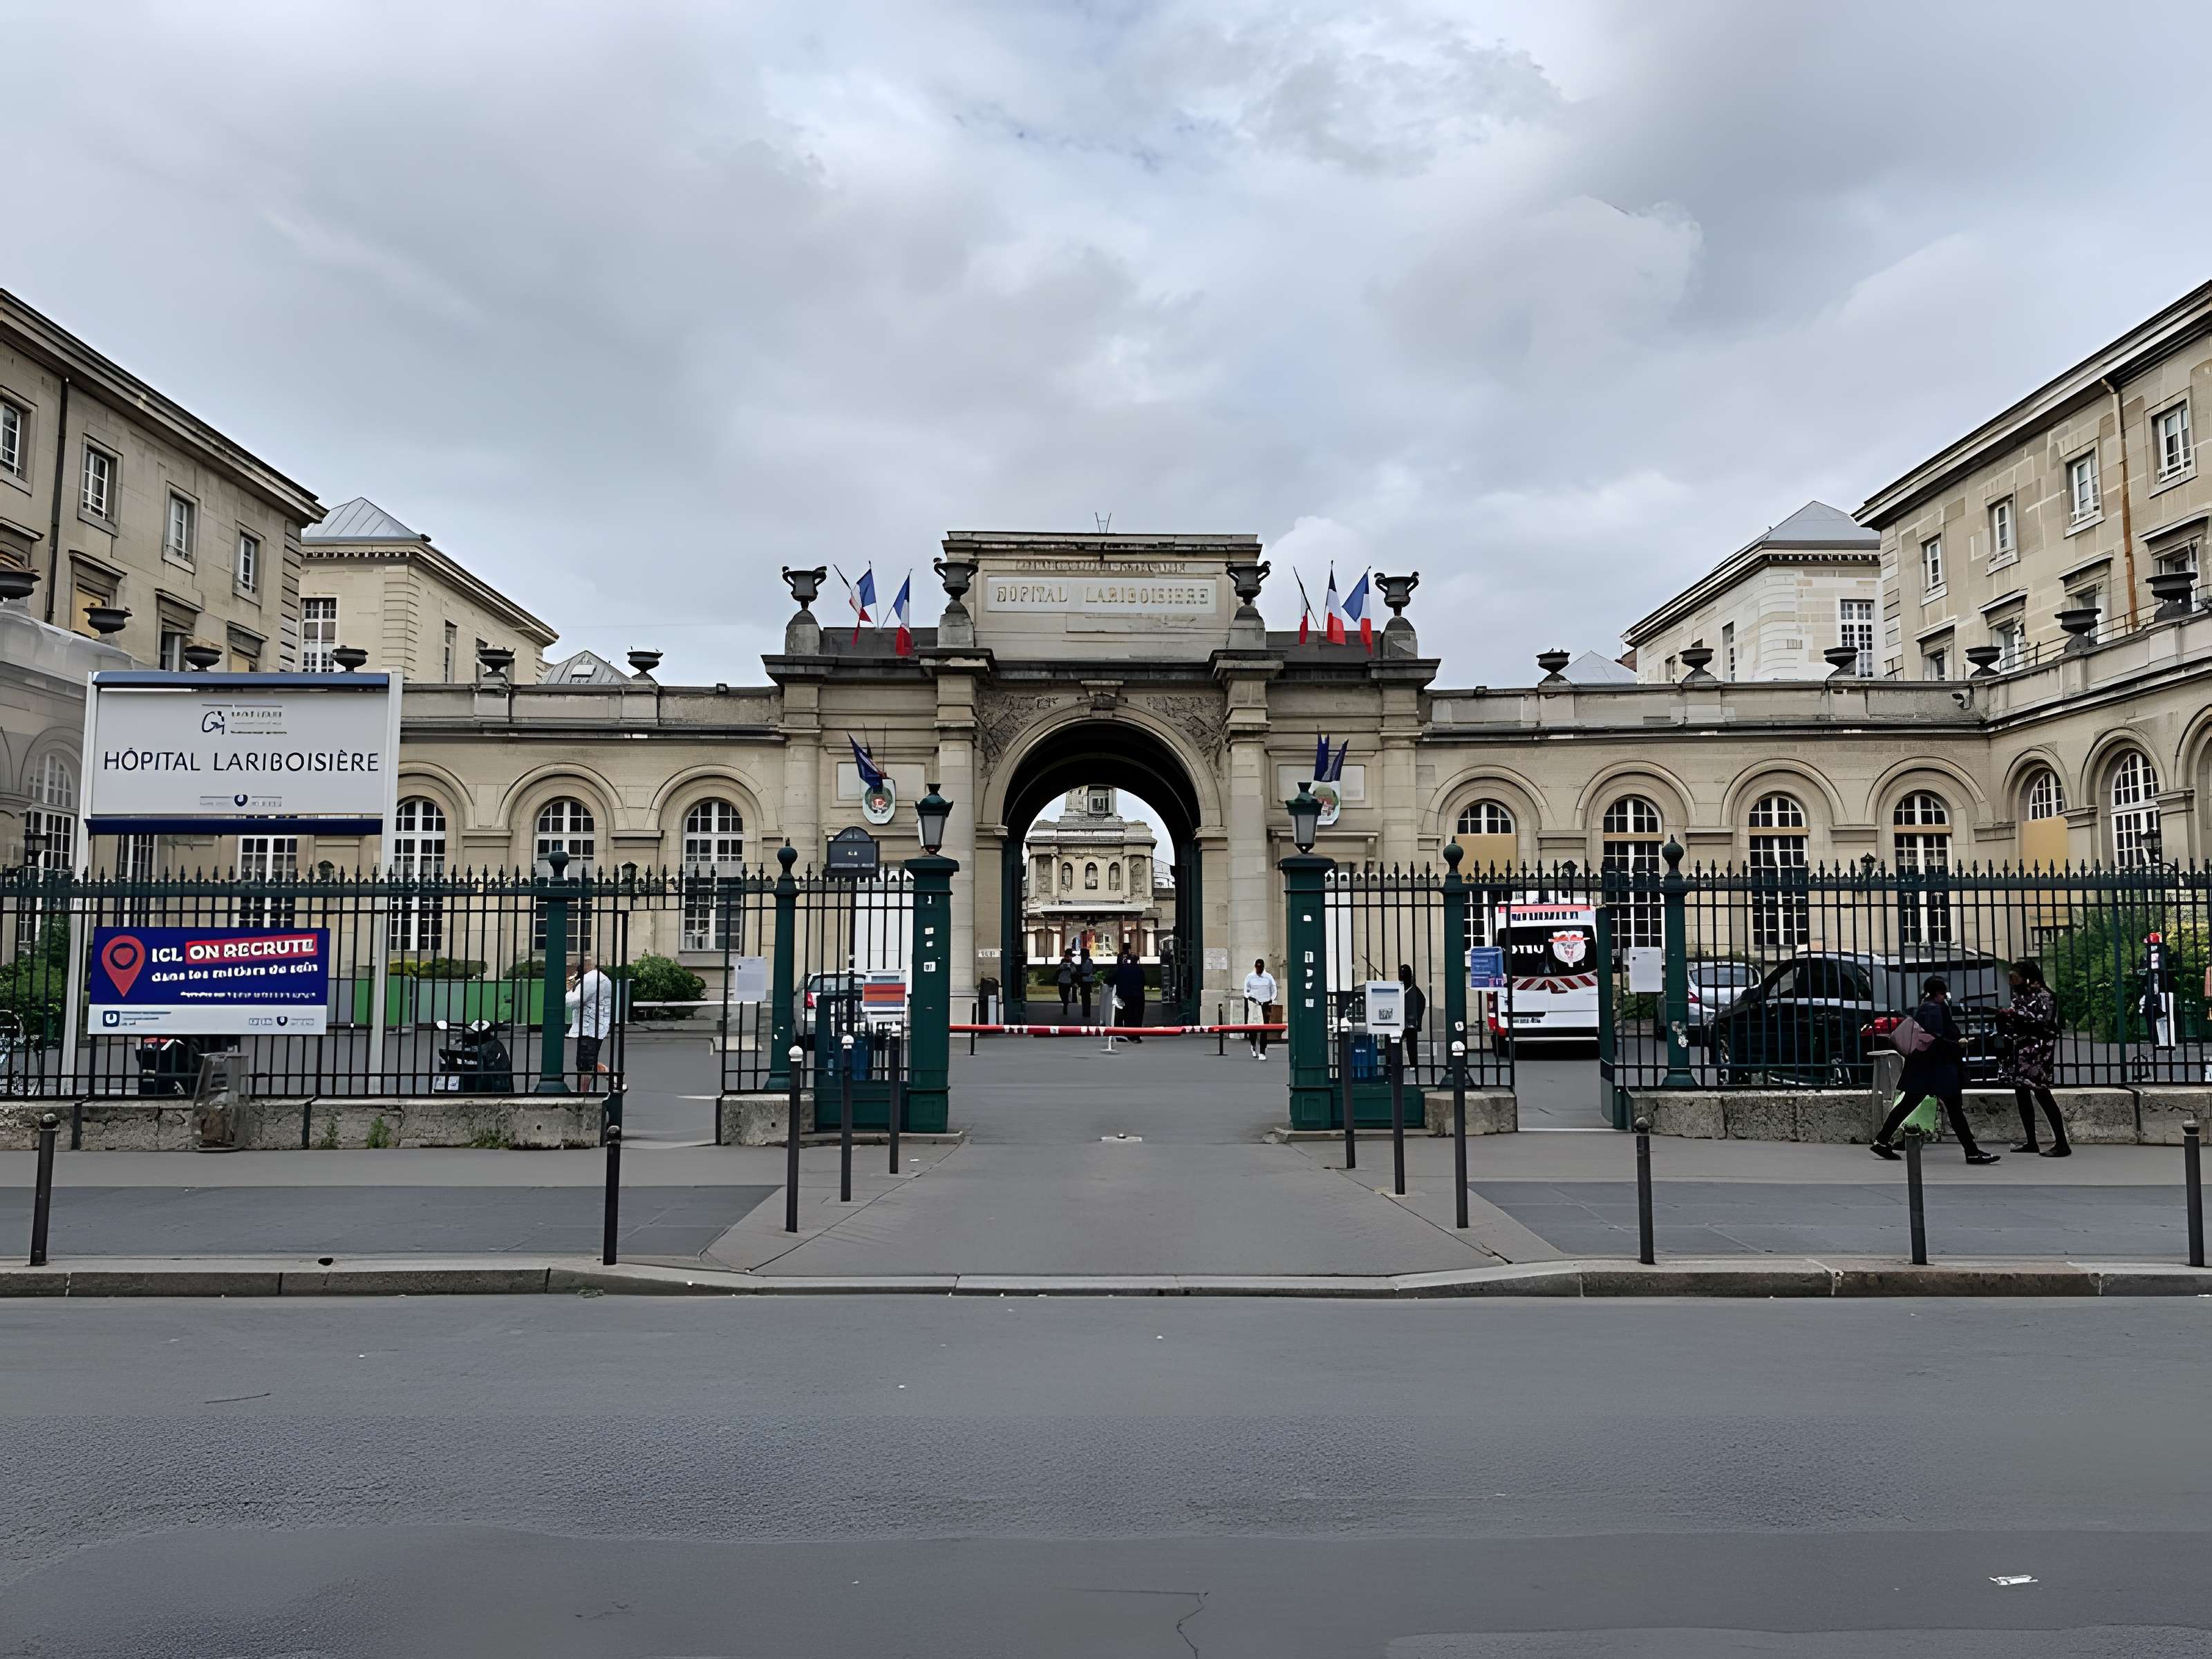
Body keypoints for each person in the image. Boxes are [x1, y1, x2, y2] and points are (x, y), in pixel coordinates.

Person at [1871, 975, 1998, 1164]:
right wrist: (1958, 1044)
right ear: (1940, 992)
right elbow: (1935, 1040)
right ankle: (1972, 1152)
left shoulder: (1927, 1007)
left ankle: (1881, 1141)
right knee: (1955, 1111)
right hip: (1938, 1070)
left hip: (1925, 1069)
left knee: (1908, 1105)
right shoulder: (1934, 1009)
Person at [1998, 958, 2068, 1156]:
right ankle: (2031, 1141)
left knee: (2041, 1092)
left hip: (2038, 1050)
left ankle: (2062, 1143)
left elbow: (2043, 1024)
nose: (2012, 982)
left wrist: (2015, 1016)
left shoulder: (2045, 996)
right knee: (2021, 1092)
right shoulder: (2021, 995)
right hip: (2022, 1048)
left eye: (2015, 978)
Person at [565, 956, 614, 1091]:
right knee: (586, 1061)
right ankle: (608, 1077)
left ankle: (584, 1093)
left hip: (590, 1027)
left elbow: (573, 1001)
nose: (574, 972)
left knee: (585, 1063)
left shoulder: (592, 979)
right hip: (593, 1026)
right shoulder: (599, 978)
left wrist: (568, 990)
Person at [1242, 957, 1278, 1059]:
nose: (1259, 970)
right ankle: (1253, 1045)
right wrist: (1251, 998)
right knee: (1253, 1027)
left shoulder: (1268, 977)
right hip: (1254, 1003)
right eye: (1258, 968)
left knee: (1264, 1028)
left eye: (1261, 968)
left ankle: (1262, 1051)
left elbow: (1274, 989)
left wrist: (1271, 999)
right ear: (1255, 967)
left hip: (1265, 1003)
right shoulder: (1250, 977)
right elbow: (1246, 991)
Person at [1113, 941, 1146, 1042]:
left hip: (1124, 994)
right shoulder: (1139, 969)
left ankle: (1124, 1034)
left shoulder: (1120, 964)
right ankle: (1136, 1035)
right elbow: (1144, 982)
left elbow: (1112, 978)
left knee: (1125, 1014)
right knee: (1137, 1015)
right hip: (1138, 994)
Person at [1397, 964, 1427, 1070]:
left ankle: (1413, 1064)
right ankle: (1395, 1063)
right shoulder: (1399, 989)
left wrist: (1418, 1020)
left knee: (1411, 1045)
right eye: (1401, 975)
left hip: (1411, 1022)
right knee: (1395, 1041)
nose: (1402, 977)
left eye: (1405, 975)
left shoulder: (1415, 991)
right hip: (1400, 1021)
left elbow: (1422, 1004)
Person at [1056, 949, 1078, 1022]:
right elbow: (1057, 970)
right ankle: (1065, 1002)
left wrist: (1070, 968)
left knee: (1066, 994)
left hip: (1068, 982)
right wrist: (1061, 968)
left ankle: (1065, 1005)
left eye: (1069, 956)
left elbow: (1074, 972)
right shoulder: (1062, 962)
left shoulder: (1072, 964)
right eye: (1066, 956)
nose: (1068, 957)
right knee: (1061, 994)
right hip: (1061, 981)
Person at [1076, 946, 1096, 1024]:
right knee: (1086, 997)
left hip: (1085, 981)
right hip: (1087, 981)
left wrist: (1080, 975)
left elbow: (1087, 971)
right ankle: (1086, 1012)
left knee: (1086, 997)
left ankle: (1086, 1012)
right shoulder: (1088, 961)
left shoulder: (1087, 962)